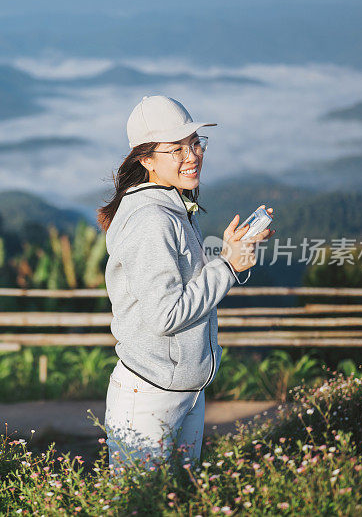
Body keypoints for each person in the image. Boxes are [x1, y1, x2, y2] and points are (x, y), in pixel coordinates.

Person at [96, 95, 275, 474]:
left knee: (178, 501)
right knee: (138, 505)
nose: (191, 155)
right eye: (175, 149)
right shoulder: (153, 219)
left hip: (184, 389)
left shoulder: (173, 205)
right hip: (151, 394)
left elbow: (187, 288)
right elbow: (166, 314)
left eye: (195, 143)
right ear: (145, 159)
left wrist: (231, 256)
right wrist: (226, 266)